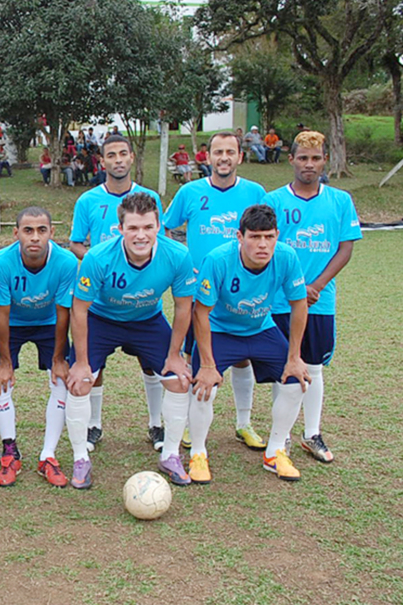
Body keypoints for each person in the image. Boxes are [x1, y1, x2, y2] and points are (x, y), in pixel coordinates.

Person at [66, 193, 196, 489]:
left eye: (148, 227)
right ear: (120, 228)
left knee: (178, 379)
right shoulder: (98, 257)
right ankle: (80, 458)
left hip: (147, 320)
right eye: (133, 228)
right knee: (80, 382)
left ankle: (171, 455)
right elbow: (80, 310)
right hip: (102, 319)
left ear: (159, 226)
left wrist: (175, 354)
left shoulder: (177, 255)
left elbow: (184, 307)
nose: (141, 235)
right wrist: (82, 363)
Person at [189, 204, 310, 483]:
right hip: (220, 329)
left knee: (296, 379)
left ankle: (275, 451)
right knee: (203, 386)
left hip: (260, 328)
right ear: (239, 236)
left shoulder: (287, 256)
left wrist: (294, 356)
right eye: (254, 237)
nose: (263, 244)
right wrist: (207, 364)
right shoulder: (218, 260)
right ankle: (198, 453)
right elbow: (201, 313)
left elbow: (299, 304)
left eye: (269, 236)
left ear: (278, 235)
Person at [163, 131, 268, 451]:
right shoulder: (189, 191)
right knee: (198, 358)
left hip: (242, 291)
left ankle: (243, 423)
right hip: (200, 292)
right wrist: (182, 263)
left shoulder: (255, 191)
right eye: (218, 152)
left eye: (230, 152)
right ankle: (193, 427)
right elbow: (168, 227)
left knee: (242, 360)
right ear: (207, 158)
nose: (224, 158)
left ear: (240, 156)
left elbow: (265, 234)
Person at [266, 130, 361, 463]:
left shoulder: (340, 200)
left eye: (316, 158)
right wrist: (293, 287)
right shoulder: (274, 200)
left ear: (325, 161)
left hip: (320, 300)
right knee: (286, 366)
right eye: (303, 158)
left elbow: (345, 247)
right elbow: (266, 247)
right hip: (280, 299)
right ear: (291, 160)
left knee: (314, 367)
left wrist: (317, 285)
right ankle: (283, 437)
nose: (309, 164)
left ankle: (312, 433)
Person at [69, 134, 165, 451]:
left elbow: (158, 244)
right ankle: (94, 425)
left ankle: (156, 424)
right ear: (103, 160)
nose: (119, 160)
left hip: (143, 303)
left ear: (132, 158)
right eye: (112, 155)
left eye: (124, 153)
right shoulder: (88, 201)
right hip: (102, 301)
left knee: (154, 364)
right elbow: (76, 243)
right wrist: (102, 265)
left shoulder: (150, 197)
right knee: (92, 369)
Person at [0, 207, 77, 487]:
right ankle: (9, 452)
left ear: (52, 233)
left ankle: (48, 456)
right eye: (28, 230)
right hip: (10, 323)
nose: (34, 237)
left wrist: (59, 357)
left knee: (61, 379)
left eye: (41, 230)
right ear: (16, 234)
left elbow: (64, 313)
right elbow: (0, 313)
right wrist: (4, 361)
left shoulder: (66, 262)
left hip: (49, 323)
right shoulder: (0, 261)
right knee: (1, 381)